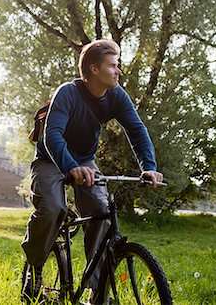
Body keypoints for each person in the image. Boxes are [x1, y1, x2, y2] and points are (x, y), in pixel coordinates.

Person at [21, 39, 163, 304]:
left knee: (100, 211)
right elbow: (53, 136)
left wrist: (150, 168)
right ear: (94, 69)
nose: (118, 71)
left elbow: (137, 130)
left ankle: (98, 292)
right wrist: (70, 167)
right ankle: (34, 266)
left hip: (85, 160)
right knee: (52, 209)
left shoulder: (117, 95)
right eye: (113, 65)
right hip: (50, 160)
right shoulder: (68, 93)